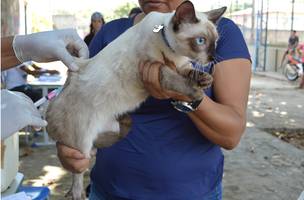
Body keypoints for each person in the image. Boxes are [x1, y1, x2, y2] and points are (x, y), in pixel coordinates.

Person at [56, 0, 251, 199]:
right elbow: (75, 98)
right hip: (109, 190)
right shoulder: (112, 31)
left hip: (192, 193)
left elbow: (231, 135)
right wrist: (68, 148)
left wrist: (182, 92)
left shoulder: (218, 31)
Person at [1, 29, 89, 140]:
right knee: (37, 95)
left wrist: (24, 47)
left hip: (17, 92)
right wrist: (24, 47)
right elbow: (32, 71)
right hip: (15, 88)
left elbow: (35, 68)